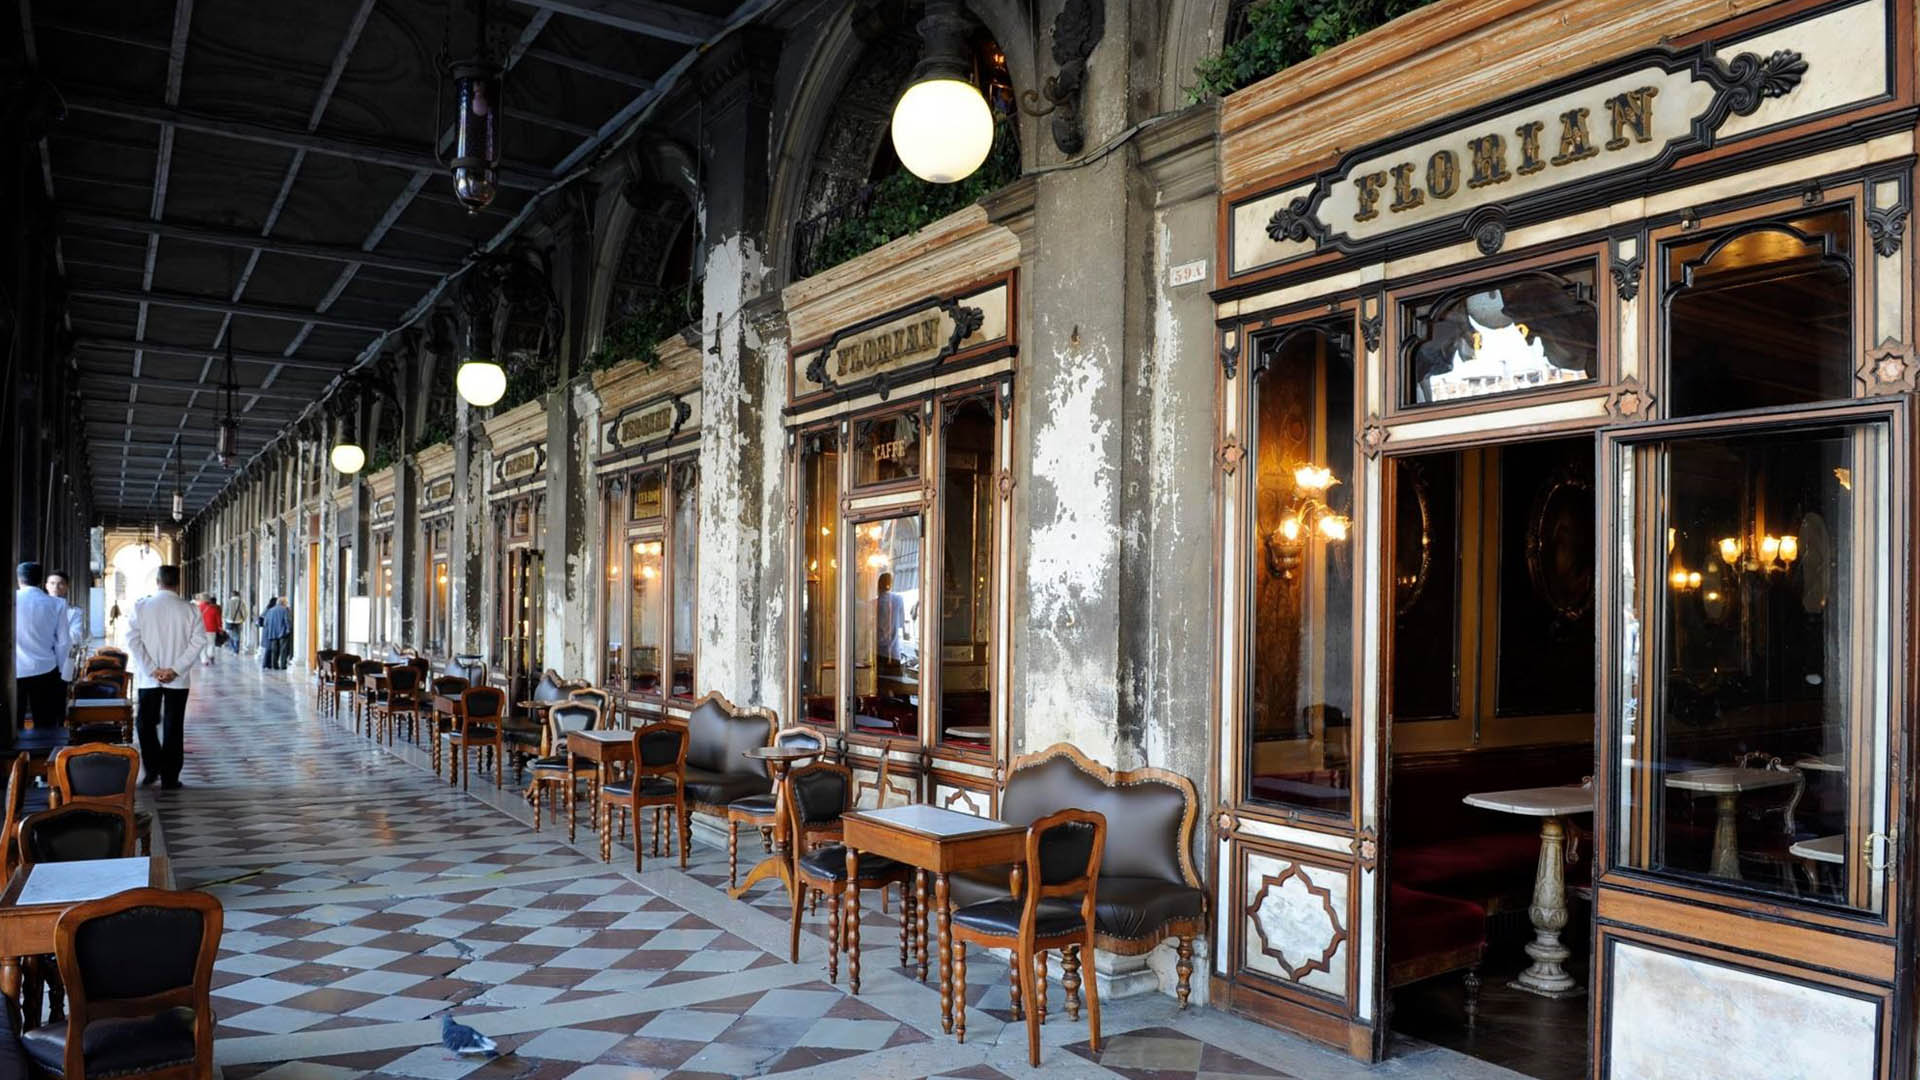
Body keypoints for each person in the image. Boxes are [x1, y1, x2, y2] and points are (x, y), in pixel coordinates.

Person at [125, 564, 208, 789]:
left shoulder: (141, 607)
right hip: (177, 679)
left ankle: (152, 768)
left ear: (158, 581)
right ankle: (170, 776)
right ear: (178, 582)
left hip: (149, 677)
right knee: (173, 725)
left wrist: (152, 669)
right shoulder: (190, 609)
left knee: (145, 722)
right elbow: (199, 641)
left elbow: (132, 639)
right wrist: (175, 669)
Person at [14, 562, 71, 730]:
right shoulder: (57, 604)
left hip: (14, 671)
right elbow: (63, 642)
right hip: (45, 669)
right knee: (45, 724)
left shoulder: (11, 599)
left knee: (12, 724)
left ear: (19, 579)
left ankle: (17, 756)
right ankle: (44, 755)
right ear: (41, 581)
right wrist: (62, 671)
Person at [44, 569, 88, 682]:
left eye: (60, 584)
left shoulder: (75, 612)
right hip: (42, 659)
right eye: (52, 583)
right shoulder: (40, 609)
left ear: (67, 587)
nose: (56, 587)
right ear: (46, 586)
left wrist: (47, 638)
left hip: (63, 660)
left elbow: (76, 636)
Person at [875, 571, 906, 673]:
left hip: (878, 653)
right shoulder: (898, 599)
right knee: (896, 685)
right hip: (894, 653)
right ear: (890, 584)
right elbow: (901, 623)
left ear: (878, 585)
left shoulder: (874, 604)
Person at [262, 596, 293, 670]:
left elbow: (266, 622)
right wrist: (289, 629)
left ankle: (274, 665)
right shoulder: (285, 610)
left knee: (274, 650)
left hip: (272, 633)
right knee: (283, 650)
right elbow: (287, 621)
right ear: (284, 603)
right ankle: (283, 665)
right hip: (282, 632)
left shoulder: (270, 610)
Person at [196, 593, 223, 666]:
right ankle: (210, 655)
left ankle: (204, 660)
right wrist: (220, 629)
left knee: (202, 645)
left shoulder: (197, 608)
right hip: (211, 629)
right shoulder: (214, 608)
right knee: (211, 643)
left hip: (200, 629)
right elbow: (218, 620)